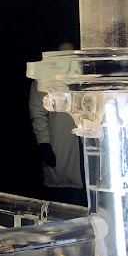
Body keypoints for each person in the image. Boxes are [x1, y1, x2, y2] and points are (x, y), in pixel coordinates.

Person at [29, 41, 86, 206]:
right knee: (64, 201)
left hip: (85, 147)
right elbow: (38, 113)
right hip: (60, 149)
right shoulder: (44, 81)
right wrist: (44, 143)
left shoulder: (85, 76)